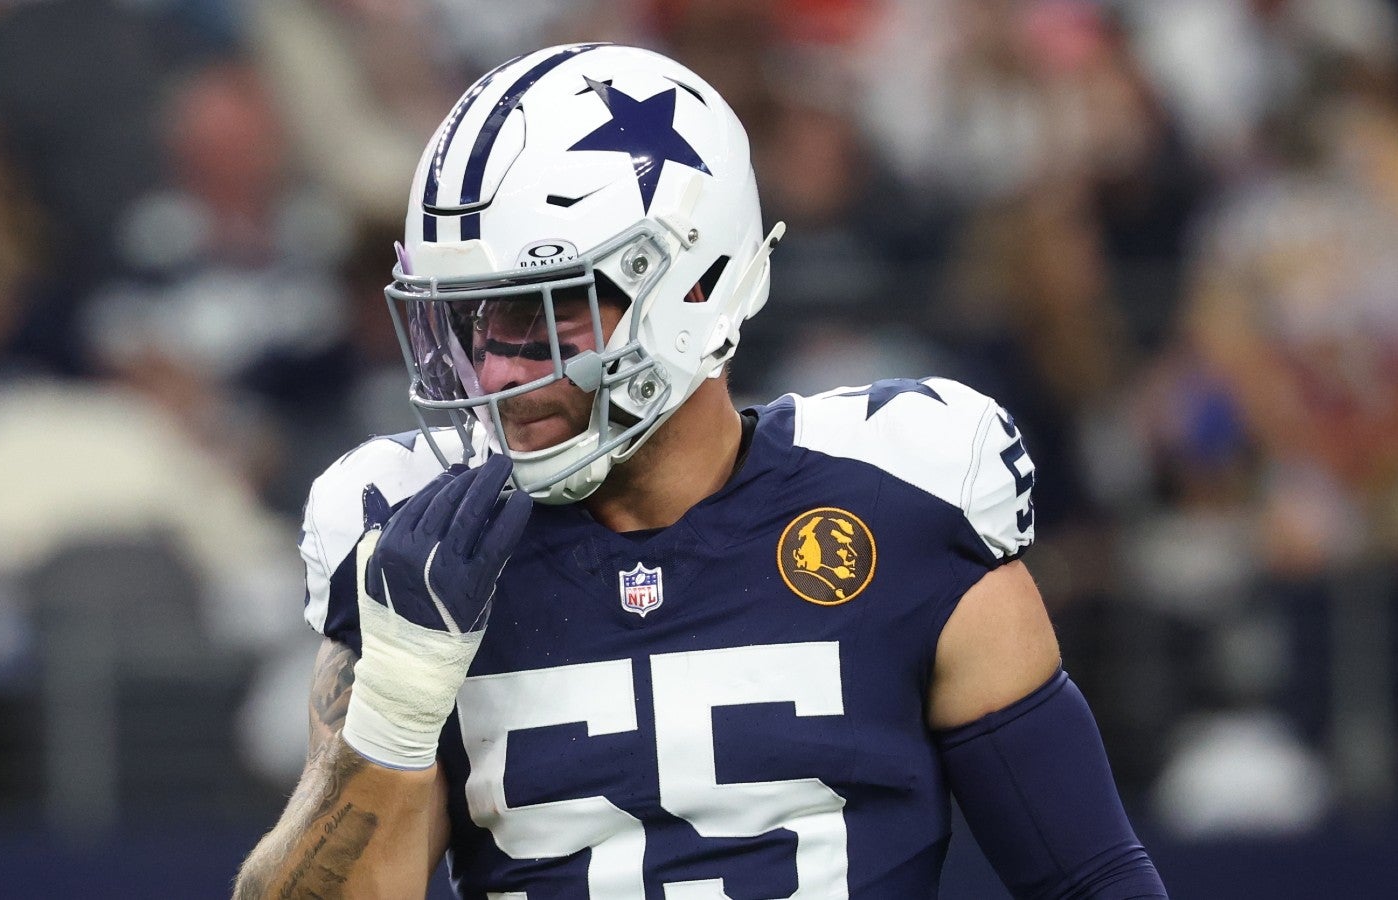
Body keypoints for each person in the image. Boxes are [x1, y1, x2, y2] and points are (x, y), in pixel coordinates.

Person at [234, 43, 1167, 899]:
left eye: (542, 312)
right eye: (476, 321)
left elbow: (1090, 880)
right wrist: (392, 714)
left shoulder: (906, 500)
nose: (495, 370)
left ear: (691, 286)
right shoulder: (419, 546)